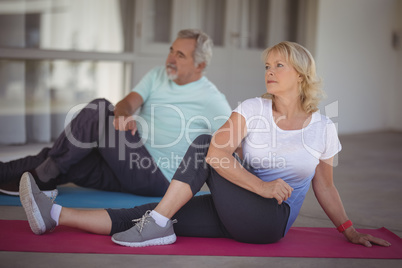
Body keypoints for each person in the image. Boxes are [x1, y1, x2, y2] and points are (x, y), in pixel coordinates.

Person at [19, 41, 391, 248]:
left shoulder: (323, 127)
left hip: (269, 221)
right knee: (153, 211)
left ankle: (158, 224)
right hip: (238, 205)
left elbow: (324, 184)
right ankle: (54, 216)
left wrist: (349, 230)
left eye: (279, 66)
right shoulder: (252, 109)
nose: (269, 72)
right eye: (267, 66)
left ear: (302, 75)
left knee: (200, 145)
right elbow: (219, 155)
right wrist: (259, 183)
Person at [0, 29, 231, 198]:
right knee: (68, 156)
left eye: (180, 55)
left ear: (200, 65)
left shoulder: (212, 99)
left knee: (99, 109)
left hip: (157, 177)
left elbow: (235, 142)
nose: (170, 58)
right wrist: (122, 114)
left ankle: (43, 176)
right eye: (171, 50)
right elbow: (127, 103)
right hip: (127, 162)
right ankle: (17, 173)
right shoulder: (157, 75)